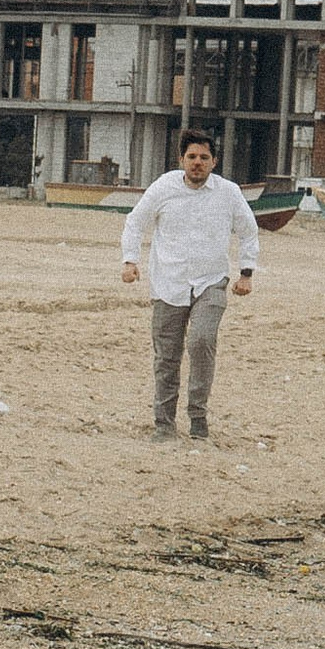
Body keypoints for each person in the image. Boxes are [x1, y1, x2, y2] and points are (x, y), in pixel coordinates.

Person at [121, 135, 259, 438]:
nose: (198, 162)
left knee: (201, 341)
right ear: (181, 159)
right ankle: (164, 425)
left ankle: (198, 416)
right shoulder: (163, 188)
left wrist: (246, 273)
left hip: (211, 281)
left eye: (204, 158)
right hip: (168, 283)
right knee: (167, 356)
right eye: (192, 156)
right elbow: (135, 221)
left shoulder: (229, 193)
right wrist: (130, 261)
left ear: (214, 162)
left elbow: (249, 232)